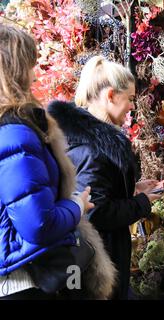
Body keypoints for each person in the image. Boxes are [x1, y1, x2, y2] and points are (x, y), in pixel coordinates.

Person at [0, 24, 113, 299]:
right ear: (15, 69)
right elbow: (38, 224)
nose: (34, 74)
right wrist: (76, 206)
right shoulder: (14, 132)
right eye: (30, 65)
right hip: (21, 281)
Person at [48, 56, 164, 300]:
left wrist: (132, 189)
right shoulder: (94, 149)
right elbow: (96, 212)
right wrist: (142, 202)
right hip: (96, 263)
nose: (133, 107)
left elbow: (95, 192)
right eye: (130, 99)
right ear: (111, 95)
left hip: (91, 260)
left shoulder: (84, 139)